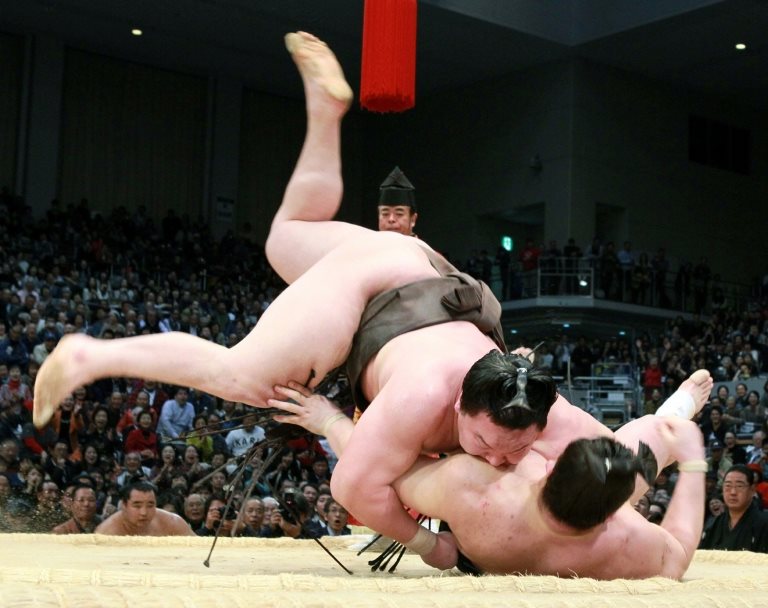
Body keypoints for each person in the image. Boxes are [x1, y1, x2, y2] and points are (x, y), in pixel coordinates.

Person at [32, 31, 712, 569]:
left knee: (285, 239)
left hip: (430, 275)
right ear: (459, 408)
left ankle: (326, 112)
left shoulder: (540, 406)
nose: (502, 460)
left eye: (514, 451)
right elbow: (352, 489)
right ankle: (91, 354)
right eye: (488, 444)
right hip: (374, 293)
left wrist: (681, 408)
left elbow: (626, 454)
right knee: (243, 377)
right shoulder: (419, 402)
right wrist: (430, 546)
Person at [274, 386, 708, 578]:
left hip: (485, 542)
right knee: (648, 437)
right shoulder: (630, 544)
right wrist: (693, 465)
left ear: (550, 467)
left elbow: (372, 471)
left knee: (631, 448)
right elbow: (682, 546)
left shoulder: (474, 486)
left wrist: (328, 419)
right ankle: (674, 414)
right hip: (582, 539)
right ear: (616, 512)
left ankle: (667, 422)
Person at [699, 465, 768, 552]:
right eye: (728, 486)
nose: (733, 492)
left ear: (752, 490)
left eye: (739, 486)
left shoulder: (764, 524)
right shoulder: (715, 523)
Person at [95, 480, 194, 536]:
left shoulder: (173, 522)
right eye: (137, 506)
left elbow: (199, 551)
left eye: (150, 505)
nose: (144, 512)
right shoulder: (106, 532)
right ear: (124, 506)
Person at [377, 167, 418, 236]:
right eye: (385, 214)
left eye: (399, 214)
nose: (391, 219)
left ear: (413, 220)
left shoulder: (420, 247)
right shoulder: (368, 246)